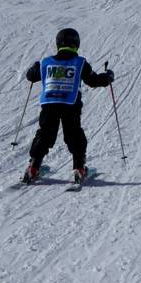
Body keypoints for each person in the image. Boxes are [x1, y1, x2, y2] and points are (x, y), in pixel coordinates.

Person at [22, 27, 114, 184]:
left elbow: (31, 76)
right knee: (74, 135)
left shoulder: (46, 63)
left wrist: (34, 67)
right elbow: (93, 81)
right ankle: (79, 168)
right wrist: (108, 77)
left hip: (49, 104)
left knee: (44, 134)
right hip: (70, 104)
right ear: (76, 44)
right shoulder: (79, 62)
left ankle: (33, 167)